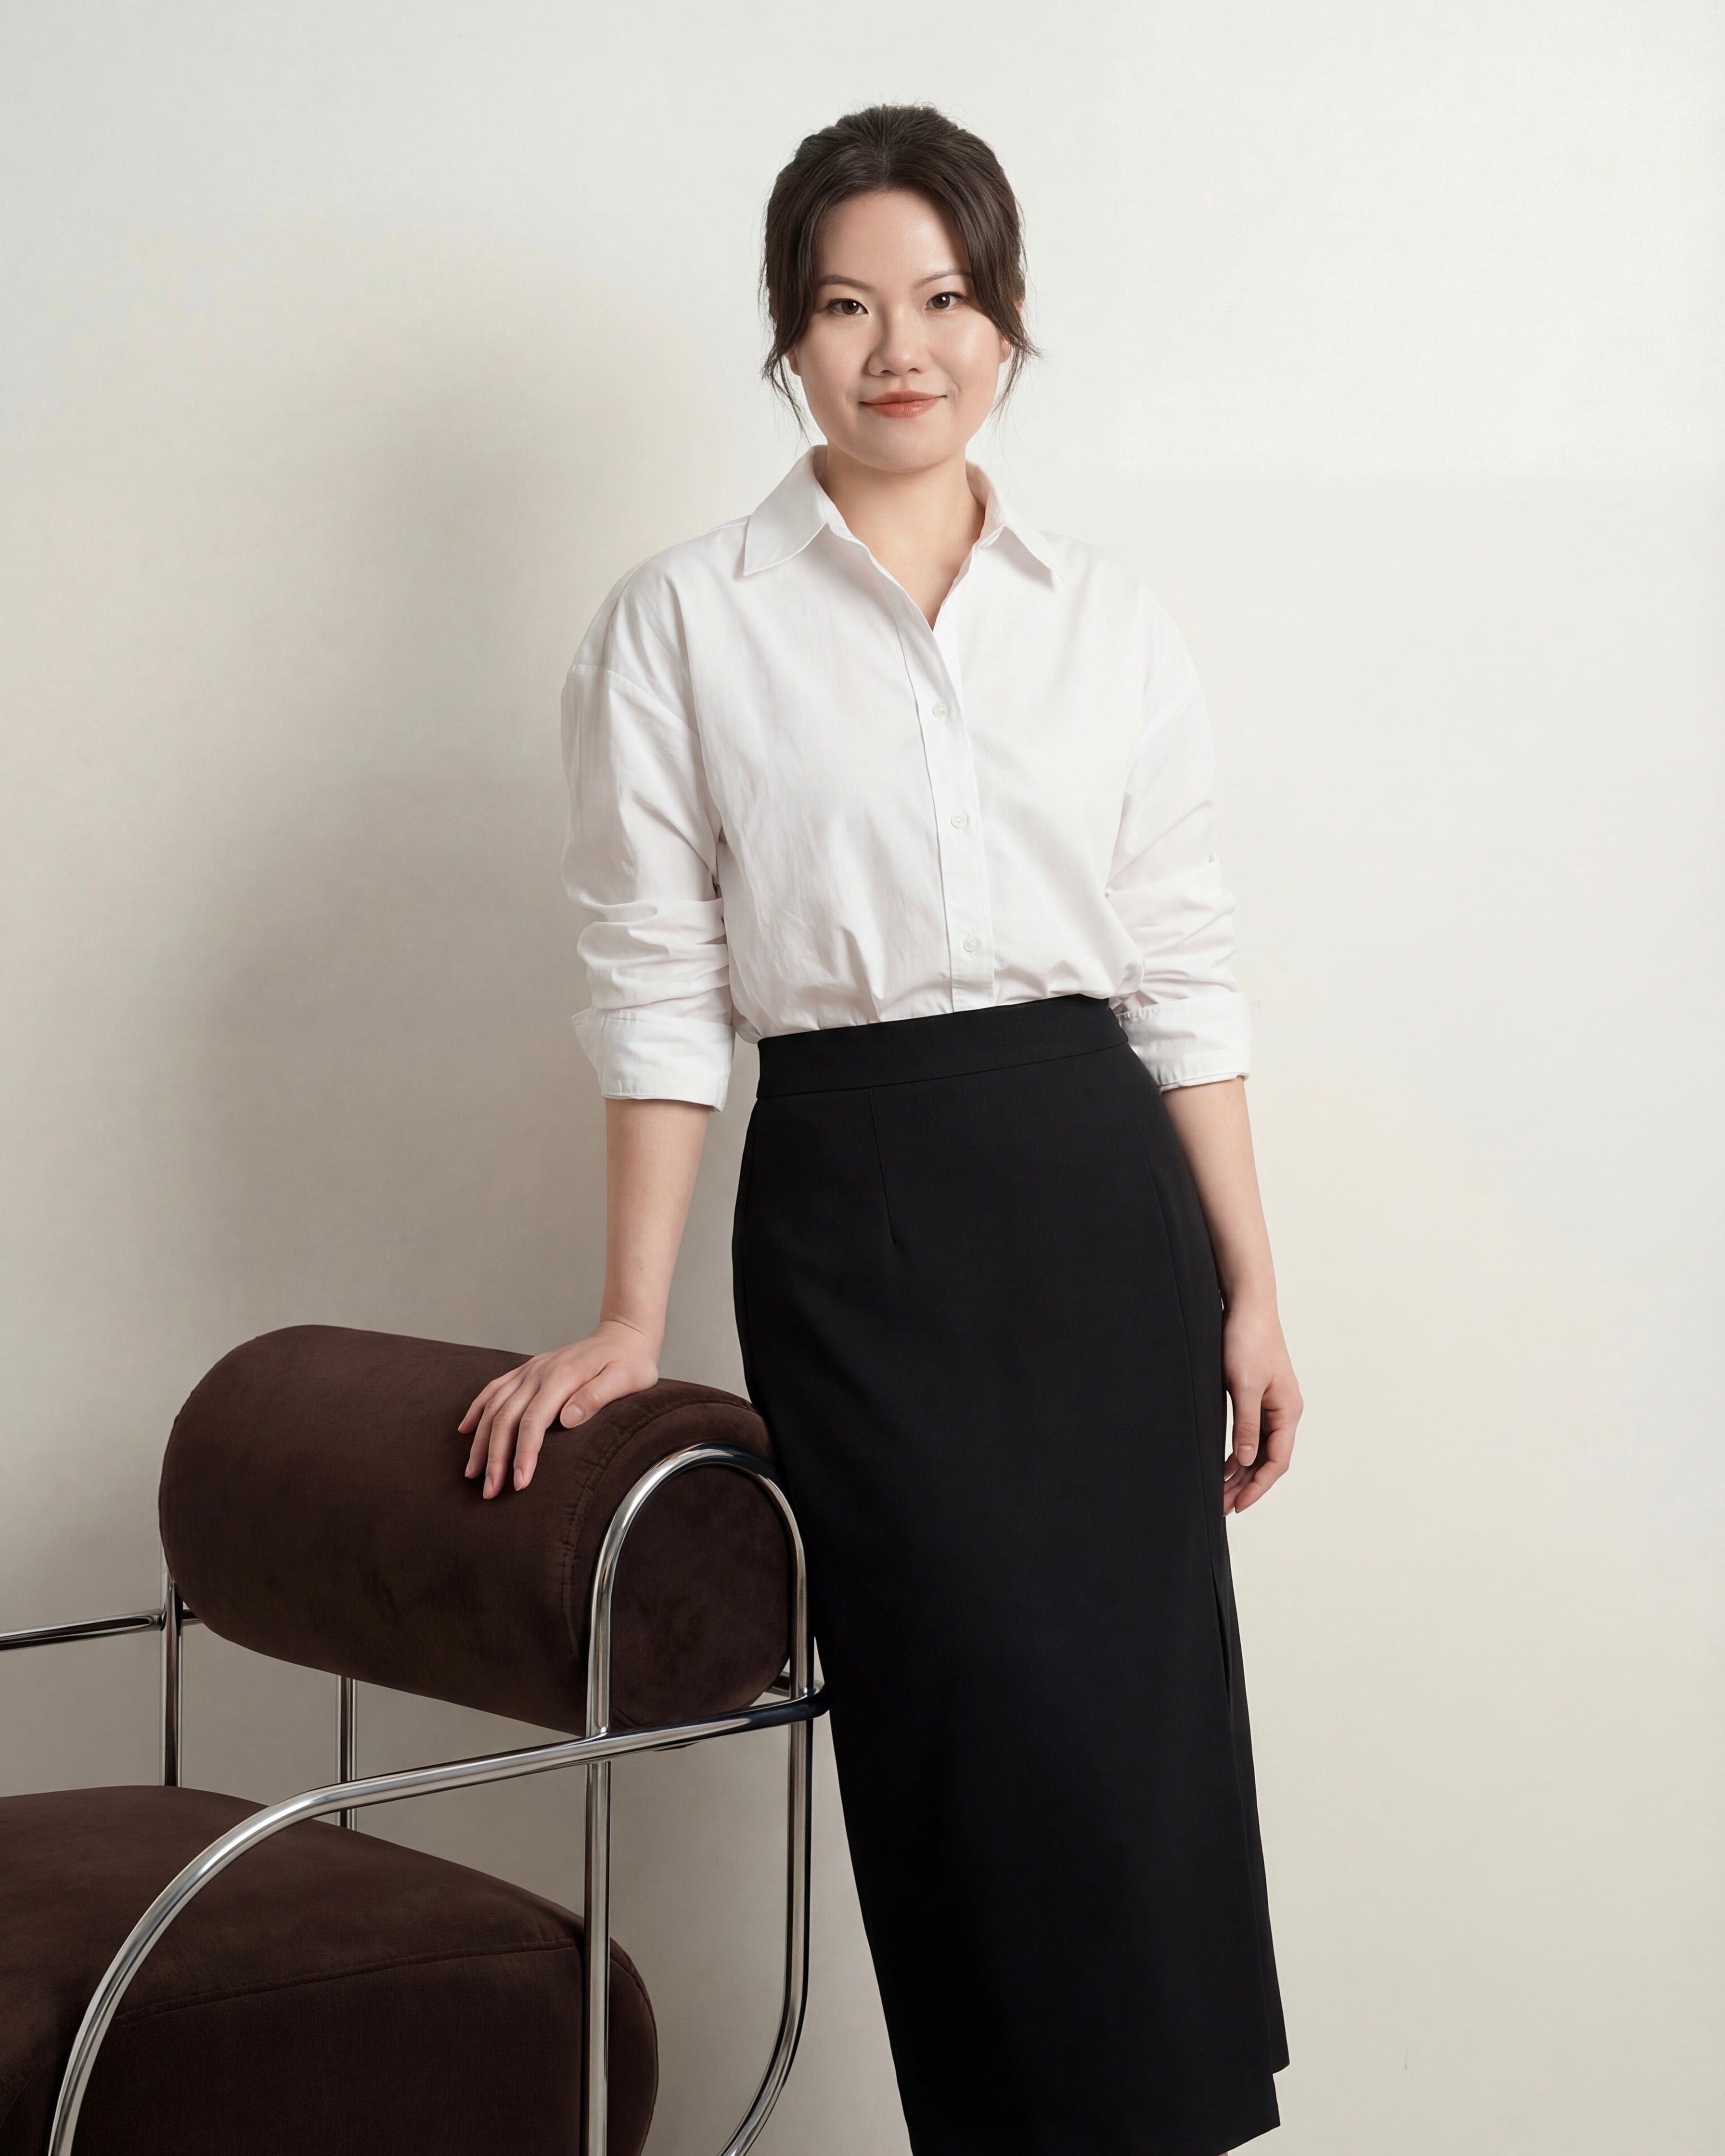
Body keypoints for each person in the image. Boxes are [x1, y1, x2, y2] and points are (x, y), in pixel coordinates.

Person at [461, 103, 1300, 2156]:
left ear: (1006, 321)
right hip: (858, 1217)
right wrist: (624, 1312)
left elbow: (1177, 973)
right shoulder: (683, 619)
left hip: (1099, 1215)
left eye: (940, 299)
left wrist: (1256, 1289)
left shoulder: (1106, 620)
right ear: (786, 336)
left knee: (1130, 1751)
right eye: (844, 305)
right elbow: (656, 980)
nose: (895, 347)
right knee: (964, 1737)